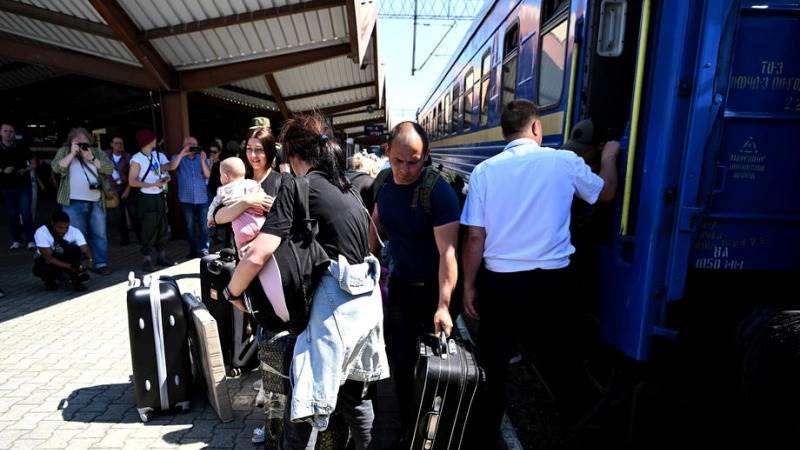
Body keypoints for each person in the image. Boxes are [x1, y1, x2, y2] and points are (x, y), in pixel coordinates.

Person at [460, 100, 620, 448]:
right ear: (536, 128)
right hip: (553, 284)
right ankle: (576, 429)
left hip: (501, 284)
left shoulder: (485, 171)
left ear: (504, 133)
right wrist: (608, 158)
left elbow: (475, 236)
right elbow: (605, 193)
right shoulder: (563, 162)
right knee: (561, 361)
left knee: (495, 368)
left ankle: (484, 437)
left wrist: (468, 286)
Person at [224, 114, 389, 450]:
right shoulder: (349, 190)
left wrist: (232, 291)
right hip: (365, 310)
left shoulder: (295, 186)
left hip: (333, 315)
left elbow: (258, 252)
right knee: (355, 401)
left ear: (290, 154)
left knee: (301, 403)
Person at [367, 121, 460, 441]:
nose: (405, 169)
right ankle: (409, 425)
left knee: (435, 362)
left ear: (426, 157)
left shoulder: (438, 192)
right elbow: (376, 220)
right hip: (403, 286)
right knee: (401, 360)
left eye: (414, 161)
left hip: (435, 290)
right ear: (387, 153)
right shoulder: (382, 182)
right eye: (398, 161)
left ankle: (436, 424)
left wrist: (444, 305)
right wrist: (368, 264)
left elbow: (448, 253)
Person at [51, 128, 114, 275]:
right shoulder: (64, 151)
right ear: (71, 142)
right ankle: (76, 264)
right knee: (76, 235)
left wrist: (91, 158)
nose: (81, 146)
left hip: (96, 201)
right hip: (72, 202)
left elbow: (109, 169)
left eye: (84, 143)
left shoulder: (95, 152)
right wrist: (72, 154)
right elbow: (56, 168)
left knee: (100, 234)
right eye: (78, 143)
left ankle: (101, 263)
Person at [128, 129, 185, 272]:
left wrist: (165, 178)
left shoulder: (156, 155)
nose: (155, 140)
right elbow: (132, 182)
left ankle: (161, 256)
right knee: (149, 227)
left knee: (162, 226)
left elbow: (170, 167)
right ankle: (147, 259)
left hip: (158, 195)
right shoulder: (137, 159)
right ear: (147, 141)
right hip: (146, 197)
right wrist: (153, 184)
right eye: (153, 138)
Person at [32, 210, 92, 291]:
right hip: (47, 260)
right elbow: (48, 258)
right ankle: (50, 280)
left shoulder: (75, 231)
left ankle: (76, 280)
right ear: (53, 223)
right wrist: (70, 267)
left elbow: (85, 249)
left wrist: (88, 261)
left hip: (66, 257)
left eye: (66, 227)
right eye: (60, 227)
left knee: (75, 250)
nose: (63, 230)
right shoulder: (41, 232)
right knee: (42, 268)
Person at [0, 122, 36, 250]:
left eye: (11, 131)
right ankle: (17, 240)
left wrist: (25, 170)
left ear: (14, 133)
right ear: (1, 133)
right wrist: (3, 170)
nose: (8, 134)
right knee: (12, 214)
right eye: (6, 131)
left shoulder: (22, 146)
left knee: (26, 213)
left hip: (24, 185)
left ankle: (30, 240)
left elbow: (33, 164)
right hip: (7, 187)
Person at [175, 136, 211, 258]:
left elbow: (207, 175)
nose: (191, 145)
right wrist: (182, 154)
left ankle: (204, 249)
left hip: (202, 198)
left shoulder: (201, 158)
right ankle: (192, 249)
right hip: (186, 198)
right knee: (189, 227)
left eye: (193, 143)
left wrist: (202, 160)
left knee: (204, 226)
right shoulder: (177, 158)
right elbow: (172, 167)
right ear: (183, 145)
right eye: (188, 143)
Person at [104, 135, 134, 246]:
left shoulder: (128, 157)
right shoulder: (105, 155)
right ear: (111, 144)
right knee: (119, 216)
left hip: (126, 188)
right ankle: (125, 240)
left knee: (133, 213)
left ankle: (140, 238)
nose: (119, 145)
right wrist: (107, 189)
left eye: (121, 143)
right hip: (112, 189)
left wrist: (128, 190)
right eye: (116, 143)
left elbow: (132, 175)